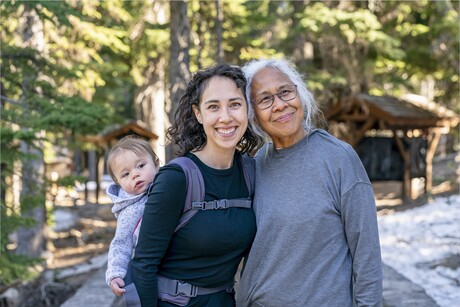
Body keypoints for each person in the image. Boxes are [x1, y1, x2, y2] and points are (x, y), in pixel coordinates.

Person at [236, 58, 383, 307]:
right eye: (265, 99)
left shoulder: (338, 158)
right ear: (253, 115)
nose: (280, 105)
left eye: (285, 92)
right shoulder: (257, 163)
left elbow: (366, 252)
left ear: (299, 93)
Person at [131, 64, 262, 307]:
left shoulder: (251, 172)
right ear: (198, 113)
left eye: (235, 104)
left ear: (247, 110)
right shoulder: (176, 178)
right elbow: (143, 265)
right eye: (213, 107)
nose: (225, 117)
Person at [105, 135, 160, 297]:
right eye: (125, 174)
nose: (135, 174)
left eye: (141, 166)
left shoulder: (169, 187)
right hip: (153, 268)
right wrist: (115, 274)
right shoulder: (129, 211)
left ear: (156, 163)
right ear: (117, 182)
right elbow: (121, 244)